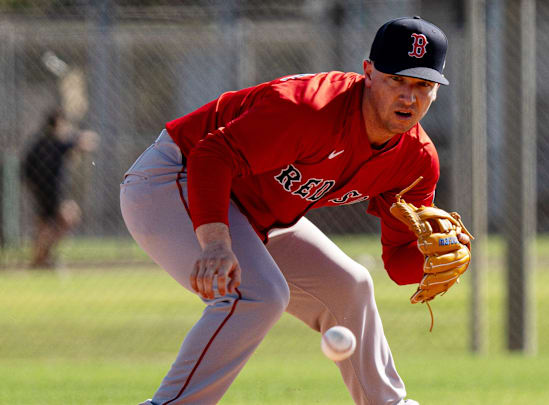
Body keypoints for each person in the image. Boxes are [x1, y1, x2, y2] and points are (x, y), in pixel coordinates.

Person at [121, 16, 469, 405]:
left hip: (259, 216)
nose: (409, 97)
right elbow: (212, 155)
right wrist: (216, 243)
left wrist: (434, 254)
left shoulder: (416, 161)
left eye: (423, 85)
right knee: (258, 294)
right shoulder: (311, 109)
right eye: (396, 80)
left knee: (351, 286)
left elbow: (398, 266)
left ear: (437, 91)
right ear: (368, 72)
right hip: (174, 179)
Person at [22, 109, 98, 268]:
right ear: (57, 124)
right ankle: (40, 257)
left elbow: (25, 170)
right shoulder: (56, 142)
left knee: (44, 226)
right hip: (53, 191)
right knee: (69, 217)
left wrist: (34, 186)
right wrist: (75, 133)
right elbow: (87, 141)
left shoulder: (38, 143)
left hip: (39, 191)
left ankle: (42, 259)